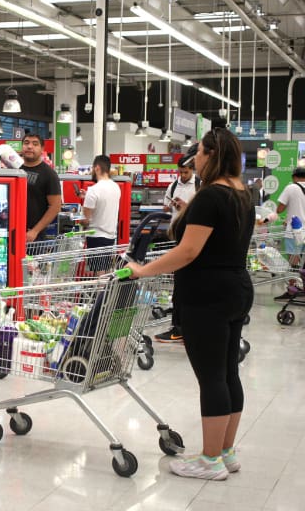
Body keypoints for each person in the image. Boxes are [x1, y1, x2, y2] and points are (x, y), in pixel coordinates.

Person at [125, 126, 254, 481]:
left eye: (198, 152)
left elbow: (188, 251)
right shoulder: (241, 192)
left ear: (211, 154)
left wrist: (142, 271)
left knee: (211, 376)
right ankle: (225, 452)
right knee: (228, 372)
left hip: (207, 292)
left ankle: (209, 460)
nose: (193, 158)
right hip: (236, 287)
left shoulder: (211, 195)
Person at [155, 150, 200, 343]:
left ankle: (181, 326)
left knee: (184, 282)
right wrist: (170, 205)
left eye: (185, 173)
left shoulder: (199, 186)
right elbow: (166, 206)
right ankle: (181, 323)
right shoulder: (173, 186)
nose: (182, 176)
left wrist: (186, 206)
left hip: (191, 236)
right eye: (180, 172)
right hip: (176, 234)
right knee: (180, 281)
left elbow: (201, 209)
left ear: (192, 170)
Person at [79, 154, 121, 272]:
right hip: (110, 237)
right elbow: (104, 203)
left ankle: (101, 291)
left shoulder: (94, 190)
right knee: (105, 271)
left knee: (99, 274)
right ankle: (105, 291)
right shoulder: (116, 187)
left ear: (97, 168)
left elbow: (85, 220)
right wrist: (87, 196)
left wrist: (77, 218)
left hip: (96, 236)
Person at [20, 133, 62, 243]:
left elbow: (55, 206)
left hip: (33, 236)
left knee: (32, 261)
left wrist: (35, 231)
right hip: (11, 231)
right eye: (26, 143)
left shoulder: (49, 174)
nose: (29, 146)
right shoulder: (14, 169)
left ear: (42, 149)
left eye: (35, 144)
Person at [273, 166, 305, 300]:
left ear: (294, 177)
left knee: (294, 260)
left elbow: (280, 209)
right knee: (302, 262)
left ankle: (292, 290)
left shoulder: (291, 187)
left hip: (294, 231)